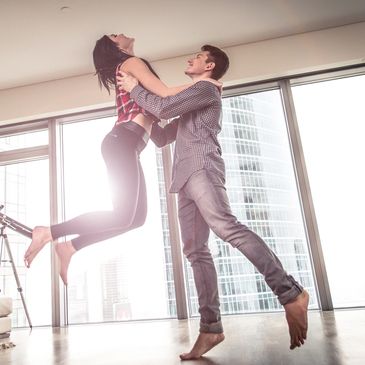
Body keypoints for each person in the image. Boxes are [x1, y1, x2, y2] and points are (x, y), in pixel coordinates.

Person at [117, 44, 309, 359]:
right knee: (195, 251)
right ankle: (211, 328)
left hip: (202, 168)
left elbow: (165, 107)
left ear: (209, 65)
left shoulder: (206, 89)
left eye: (197, 56)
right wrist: (137, 110)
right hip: (184, 178)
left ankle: (291, 292)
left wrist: (136, 89)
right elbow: (165, 136)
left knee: (227, 227)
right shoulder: (195, 98)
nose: (190, 59)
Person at [23, 33, 212, 285]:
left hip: (126, 145)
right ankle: (48, 232)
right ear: (115, 46)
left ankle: (69, 246)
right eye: (115, 35)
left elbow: (162, 137)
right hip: (120, 142)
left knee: (135, 219)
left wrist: (190, 117)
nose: (120, 33)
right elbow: (166, 93)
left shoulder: (134, 79)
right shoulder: (131, 63)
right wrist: (206, 87)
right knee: (122, 214)